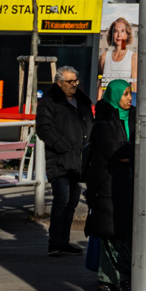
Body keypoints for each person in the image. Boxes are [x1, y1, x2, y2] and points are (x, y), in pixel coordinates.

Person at [84, 79, 134, 291]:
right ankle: (123, 284)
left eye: (130, 93)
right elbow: (117, 153)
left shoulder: (134, 117)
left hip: (129, 187)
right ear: (114, 96)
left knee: (115, 236)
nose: (129, 98)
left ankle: (106, 284)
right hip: (108, 190)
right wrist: (141, 150)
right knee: (115, 237)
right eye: (124, 94)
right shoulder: (102, 124)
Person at [35, 66, 94, 255]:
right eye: (70, 82)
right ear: (59, 83)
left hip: (78, 160)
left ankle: (64, 242)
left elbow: (89, 124)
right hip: (60, 160)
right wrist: (63, 146)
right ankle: (54, 243)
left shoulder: (82, 101)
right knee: (62, 199)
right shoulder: (49, 102)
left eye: (76, 80)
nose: (74, 84)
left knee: (72, 203)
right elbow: (44, 129)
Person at [99, 18, 136, 87]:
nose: (119, 35)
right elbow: (102, 85)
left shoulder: (133, 57)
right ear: (112, 35)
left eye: (122, 31)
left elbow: (134, 86)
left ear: (127, 35)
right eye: (116, 31)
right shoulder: (104, 56)